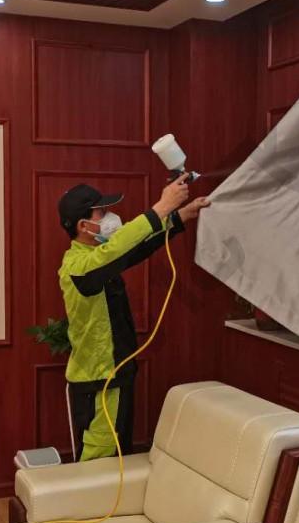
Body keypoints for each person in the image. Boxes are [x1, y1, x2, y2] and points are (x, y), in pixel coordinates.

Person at [57, 174, 209, 461]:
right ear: (83, 226)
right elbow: (119, 247)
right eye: (101, 212)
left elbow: (134, 248)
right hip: (101, 381)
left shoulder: (100, 257)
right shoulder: (79, 266)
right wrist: (161, 207)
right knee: (100, 460)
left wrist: (178, 218)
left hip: (116, 374)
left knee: (118, 455)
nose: (110, 217)